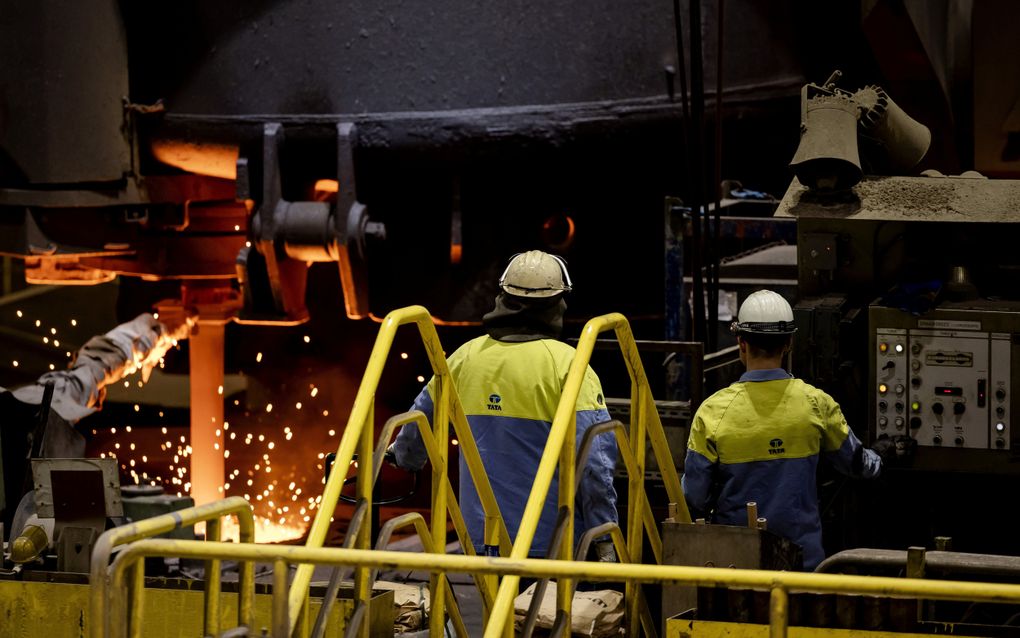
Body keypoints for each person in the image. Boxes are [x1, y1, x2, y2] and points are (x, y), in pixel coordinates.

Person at [389, 250, 618, 561]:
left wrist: (405, 457)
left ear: (502, 297)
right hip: (549, 542)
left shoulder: (464, 357)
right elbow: (593, 462)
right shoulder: (569, 365)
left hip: (481, 538)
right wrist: (604, 533)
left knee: (495, 609)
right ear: (558, 303)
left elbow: (420, 418)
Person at [682, 289, 901, 571]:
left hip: (736, 565)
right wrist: (884, 455)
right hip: (803, 567)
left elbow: (693, 497)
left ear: (741, 343)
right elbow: (858, 464)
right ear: (788, 343)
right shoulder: (816, 404)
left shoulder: (712, 412)